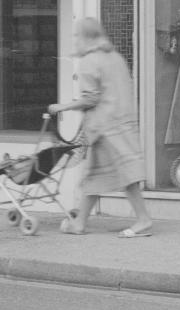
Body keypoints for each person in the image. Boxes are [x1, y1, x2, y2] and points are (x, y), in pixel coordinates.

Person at [49, 16, 153, 237]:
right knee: (99, 175)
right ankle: (79, 224)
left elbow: (91, 99)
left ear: (86, 37)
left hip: (104, 128)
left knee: (114, 176)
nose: (75, 39)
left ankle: (143, 220)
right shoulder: (115, 57)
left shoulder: (89, 61)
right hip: (122, 123)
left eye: (77, 35)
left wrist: (62, 107)